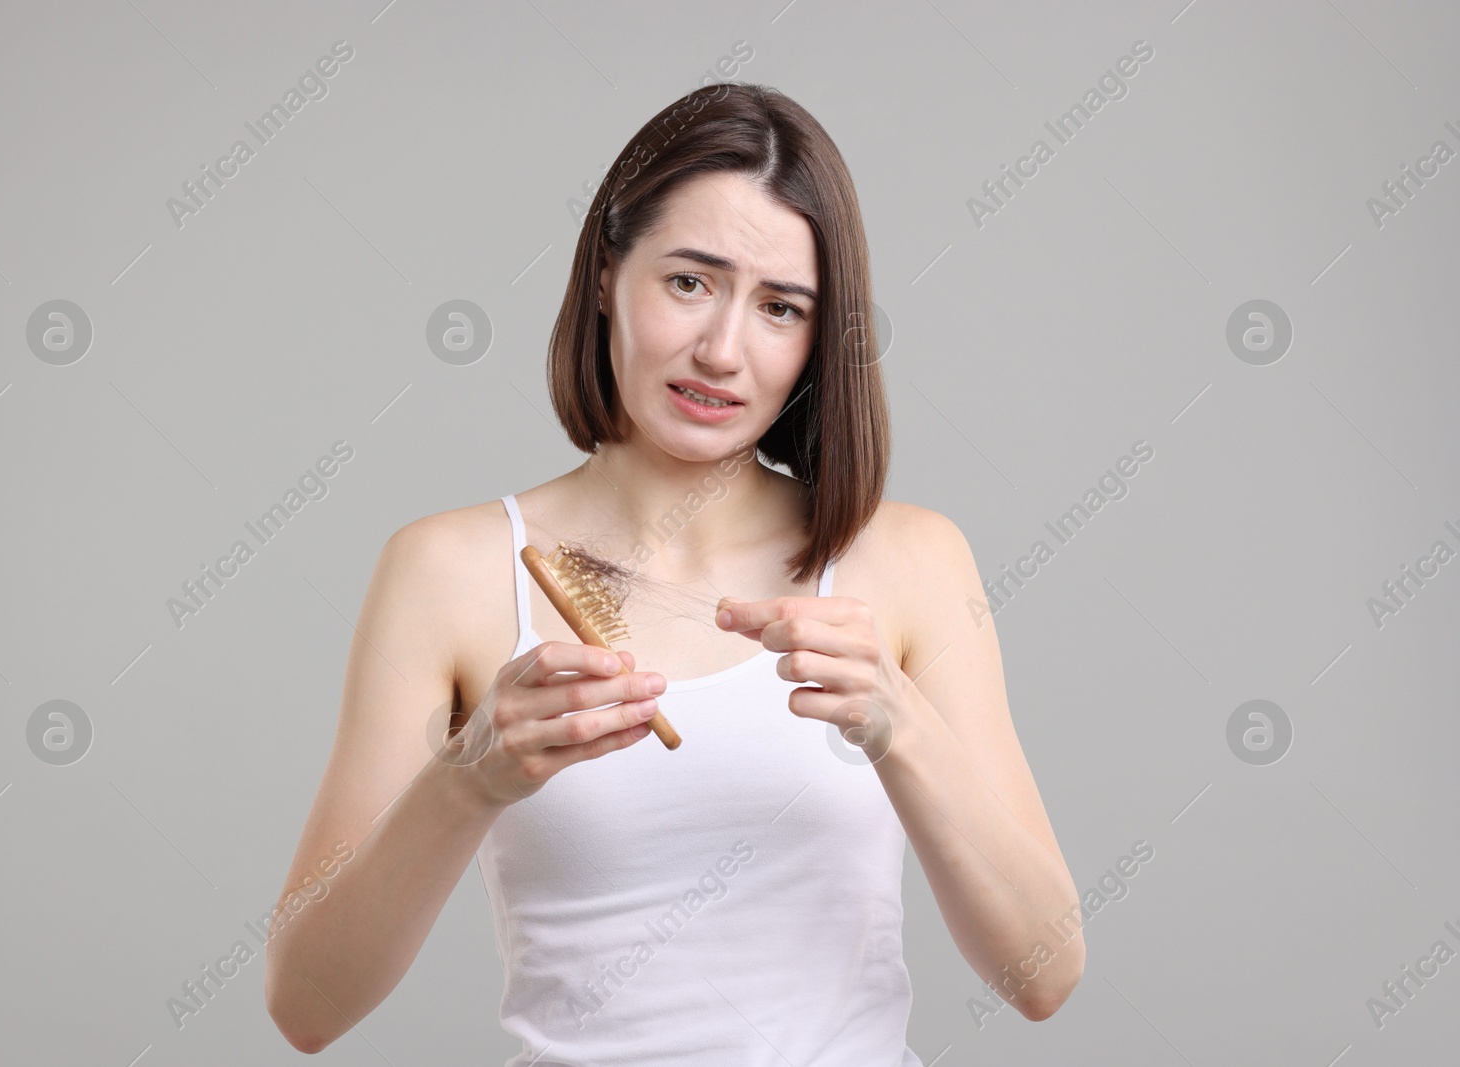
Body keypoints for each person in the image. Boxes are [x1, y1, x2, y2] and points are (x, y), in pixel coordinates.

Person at [265, 82, 1083, 1061]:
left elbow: (1042, 973)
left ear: (817, 342)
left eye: (780, 307)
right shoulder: (447, 570)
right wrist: (466, 781)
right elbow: (306, 1003)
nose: (722, 350)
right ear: (608, 273)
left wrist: (897, 721)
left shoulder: (904, 557)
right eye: (689, 282)